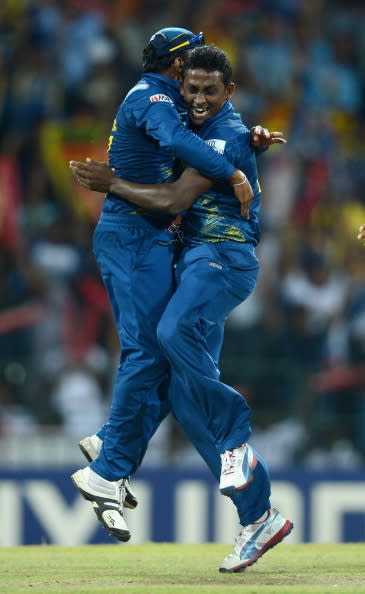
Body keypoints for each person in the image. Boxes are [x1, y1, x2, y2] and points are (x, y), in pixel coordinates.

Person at [71, 44, 292, 573]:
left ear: (228, 92)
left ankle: (229, 435)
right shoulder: (212, 129)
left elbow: (173, 201)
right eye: (191, 87)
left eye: (208, 90)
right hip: (195, 263)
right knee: (185, 397)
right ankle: (258, 515)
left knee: (168, 334)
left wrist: (113, 185)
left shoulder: (222, 134)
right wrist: (252, 144)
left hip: (221, 260)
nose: (196, 97)